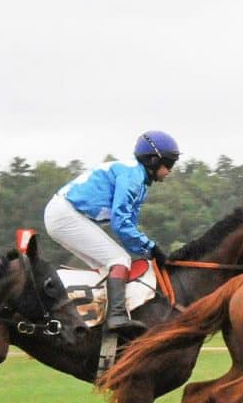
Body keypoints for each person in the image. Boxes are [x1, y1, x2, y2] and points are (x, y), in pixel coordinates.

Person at [43, 130, 180, 334]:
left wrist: (146, 251)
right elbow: (120, 222)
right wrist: (151, 247)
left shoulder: (139, 182)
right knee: (119, 260)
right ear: (152, 160)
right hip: (65, 214)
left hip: (64, 214)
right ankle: (116, 317)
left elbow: (129, 226)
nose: (169, 170)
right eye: (168, 163)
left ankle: (98, 322)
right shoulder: (132, 177)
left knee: (112, 267)